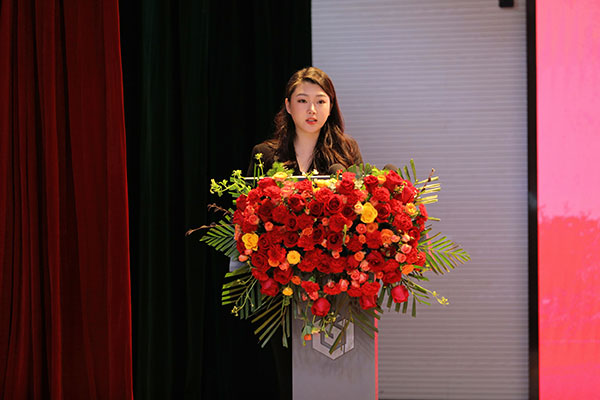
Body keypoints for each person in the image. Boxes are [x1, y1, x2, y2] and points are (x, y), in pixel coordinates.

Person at [246, 67, 363, 176]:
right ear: (288, 106)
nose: (312, 110)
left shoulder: (347, 150)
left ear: (330, 107)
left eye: (320, 102)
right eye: (302, 101)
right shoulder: (264, 154)